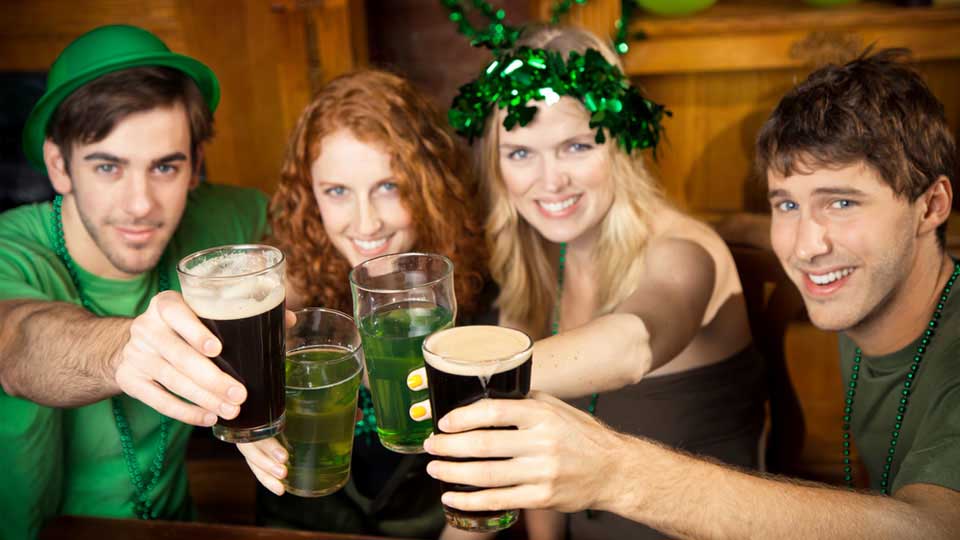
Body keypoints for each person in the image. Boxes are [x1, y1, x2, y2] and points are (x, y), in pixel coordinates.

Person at [424, 48, 960, 538]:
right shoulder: (863, 296)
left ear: (932, 206)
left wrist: (463, 376)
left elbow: (933, 531)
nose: (806, 247)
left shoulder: (685, 252)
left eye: (841, 203)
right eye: (787, 206)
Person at [443, 24, 767, 539]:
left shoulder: (684, 251)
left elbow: (633, 347)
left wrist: (465, 372)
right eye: (521, 153)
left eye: (576, 146)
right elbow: (523, 459)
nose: (550, 181)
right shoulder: (540, 267)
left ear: (619, 143)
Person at [0, 25, 272, 539]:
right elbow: (19, 340)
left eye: (165, 167)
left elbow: (313, 230)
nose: (141, 204)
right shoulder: (11, 250)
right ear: (59, 166)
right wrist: (125, 350)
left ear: (194, 169)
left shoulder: (222, 226)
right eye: (108, 167)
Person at [236, 69, 490, 539]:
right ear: (310, 194)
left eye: (388, 187)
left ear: (428, 183)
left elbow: (484, 498)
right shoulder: (287, 291)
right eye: (337, 192)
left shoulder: (475, 297)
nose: (366, 222)